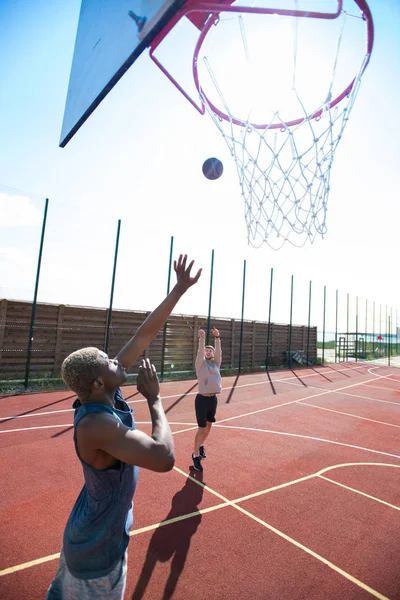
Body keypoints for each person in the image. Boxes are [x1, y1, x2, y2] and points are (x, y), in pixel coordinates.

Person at [46, 254, 201, 600]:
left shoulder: (102, 395)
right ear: (99, 383)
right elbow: (163, 458)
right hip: (95, 551)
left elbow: (144, 334)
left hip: (97, 538)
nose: (119, 360)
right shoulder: (96, 424)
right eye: (111, 361)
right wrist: (155, 400)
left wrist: (178, 290)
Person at [191, 327, 222, 472]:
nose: (209, 351)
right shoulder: (200, 364)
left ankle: (201, 445)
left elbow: (219, 352)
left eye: (211, 350)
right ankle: (195, 455)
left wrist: (217, 338)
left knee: (209, 425)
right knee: (201, 428)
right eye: (207, 350)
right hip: (202, 400)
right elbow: (200, 351)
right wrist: (202, 338)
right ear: (204, 353)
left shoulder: (216, 363)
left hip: (213, 399)